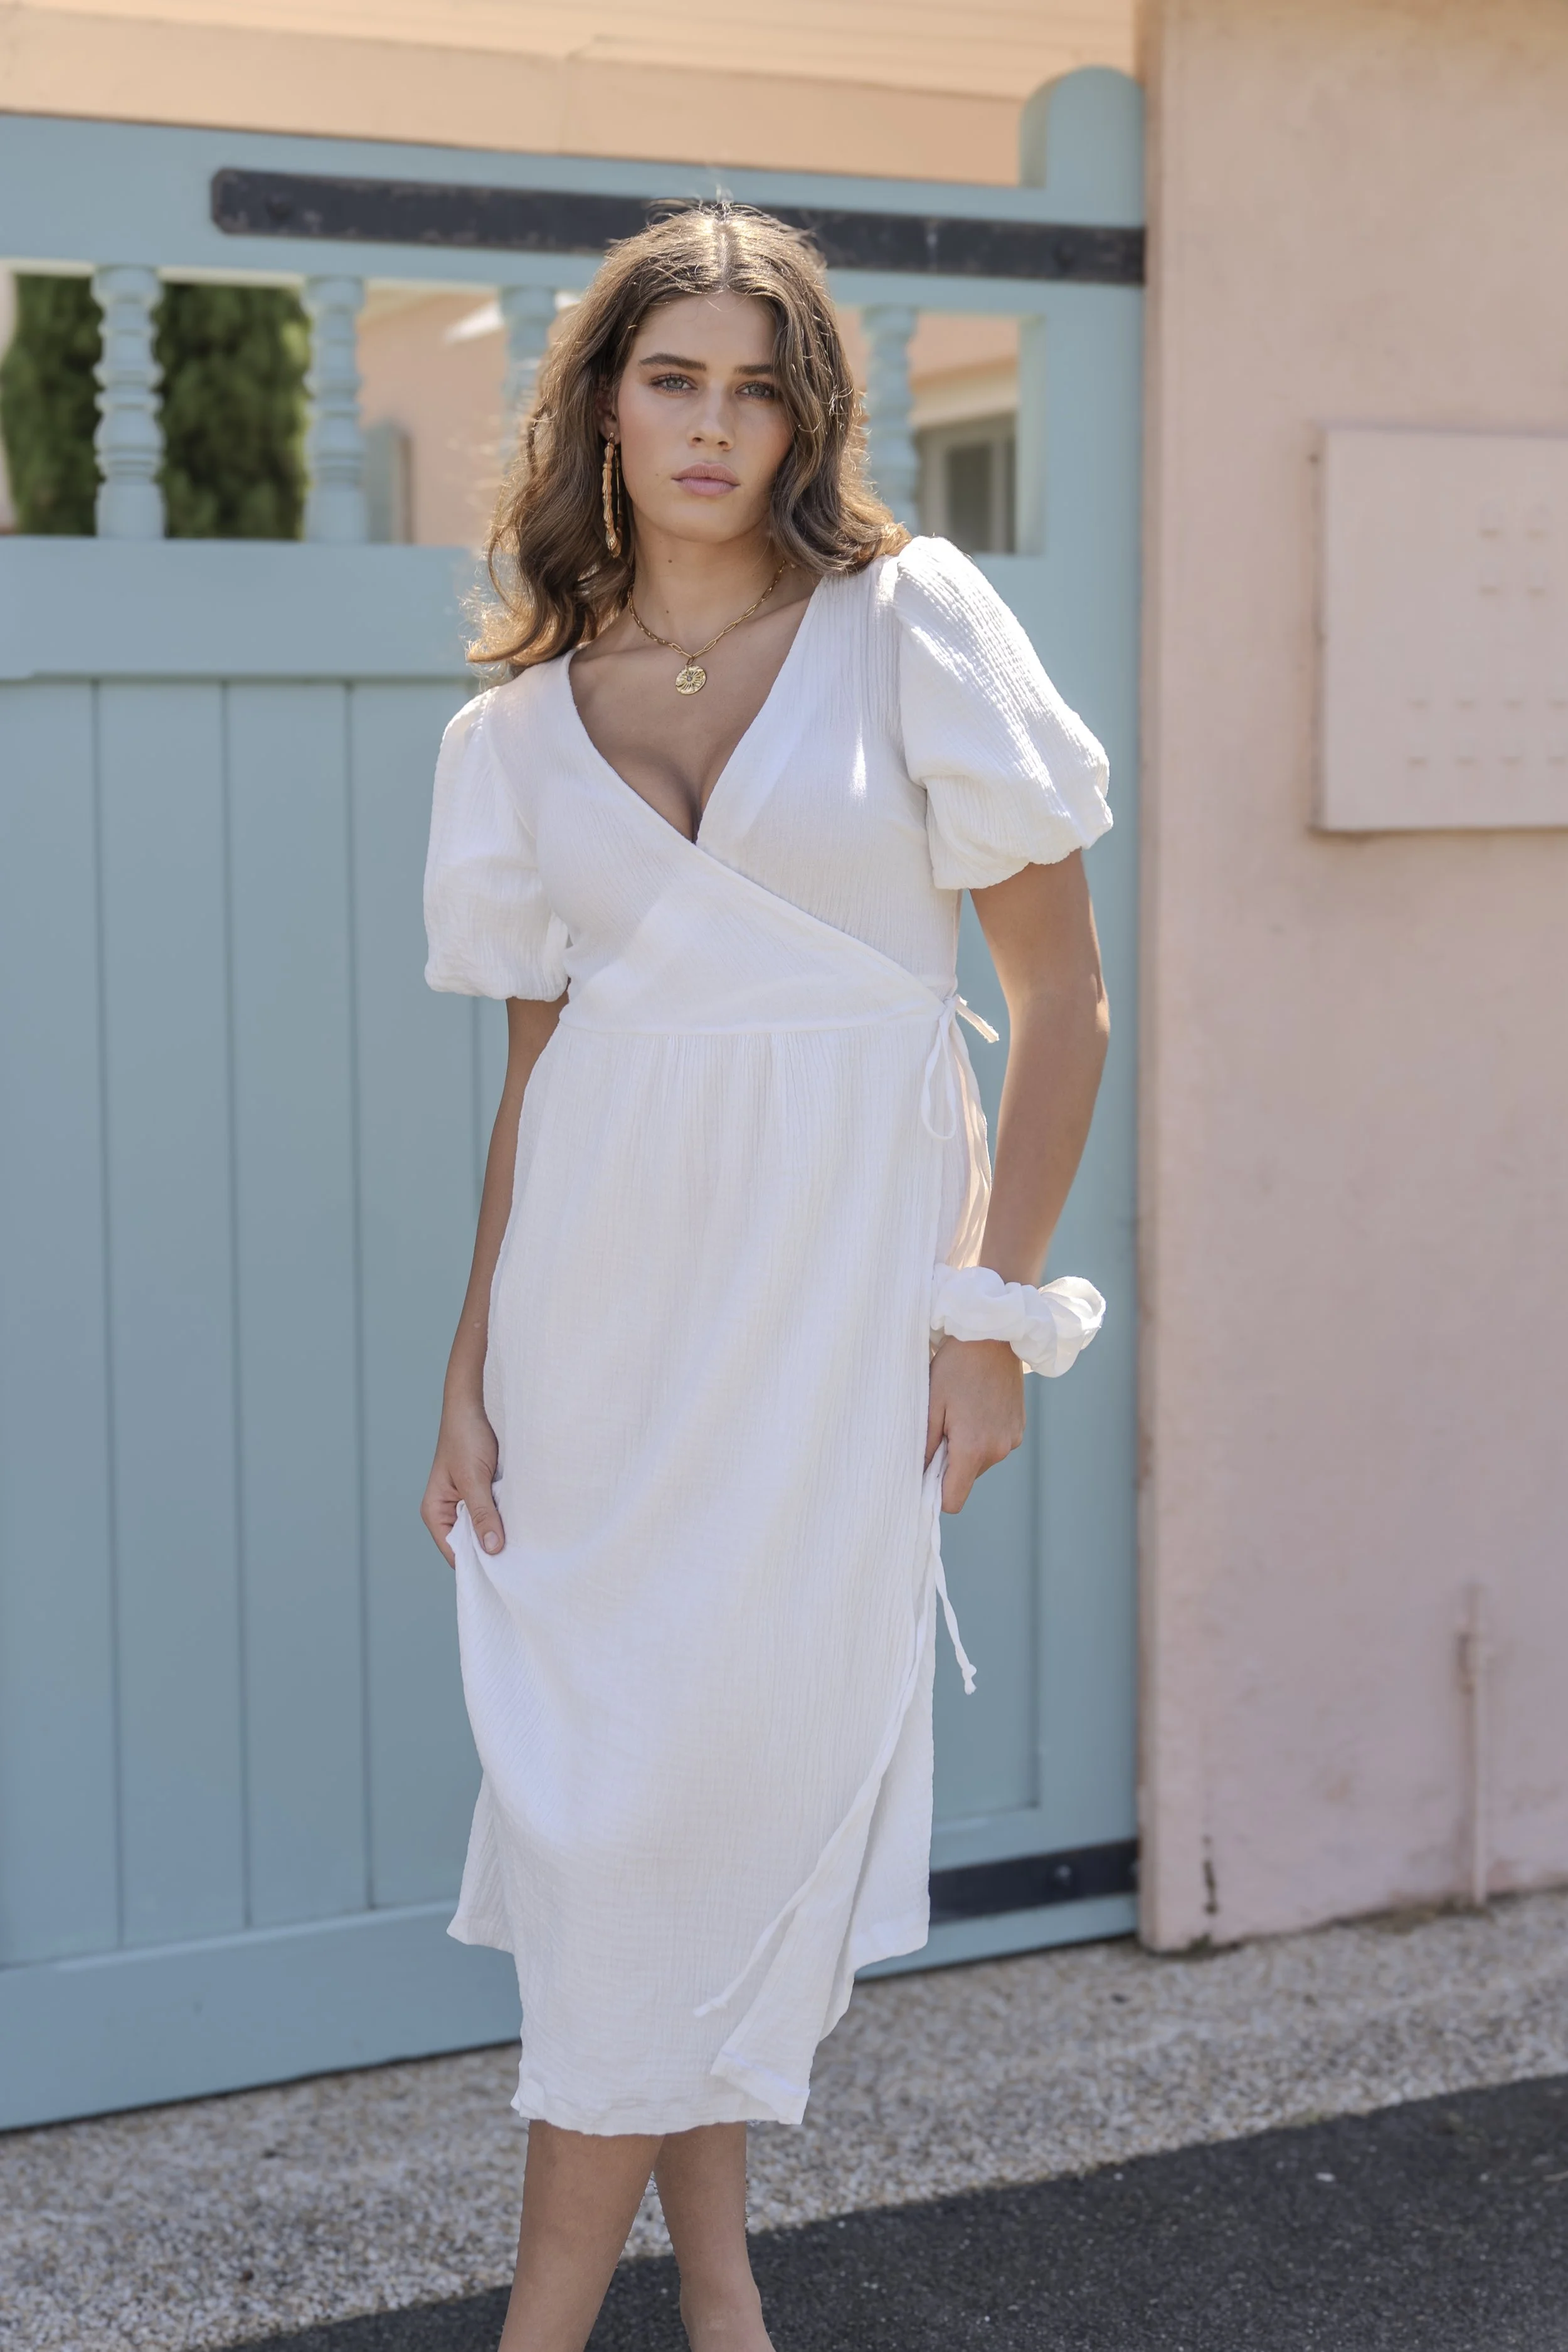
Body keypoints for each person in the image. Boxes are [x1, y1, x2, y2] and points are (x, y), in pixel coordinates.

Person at [420, 204, 1111, 2352]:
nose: (712, 425)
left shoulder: (911, 623)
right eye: (669, 378)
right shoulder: (516, 726)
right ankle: (712, 2287)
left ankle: (553, 2315)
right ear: (599, 406)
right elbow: (541, 1060)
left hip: (834, 1316)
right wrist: (464, 1369)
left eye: (754, 383)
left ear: (807, 412)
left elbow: (1060, 1005)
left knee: (706, 1809)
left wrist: (985, 1325)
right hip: (596, 1330)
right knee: (616, 1817)